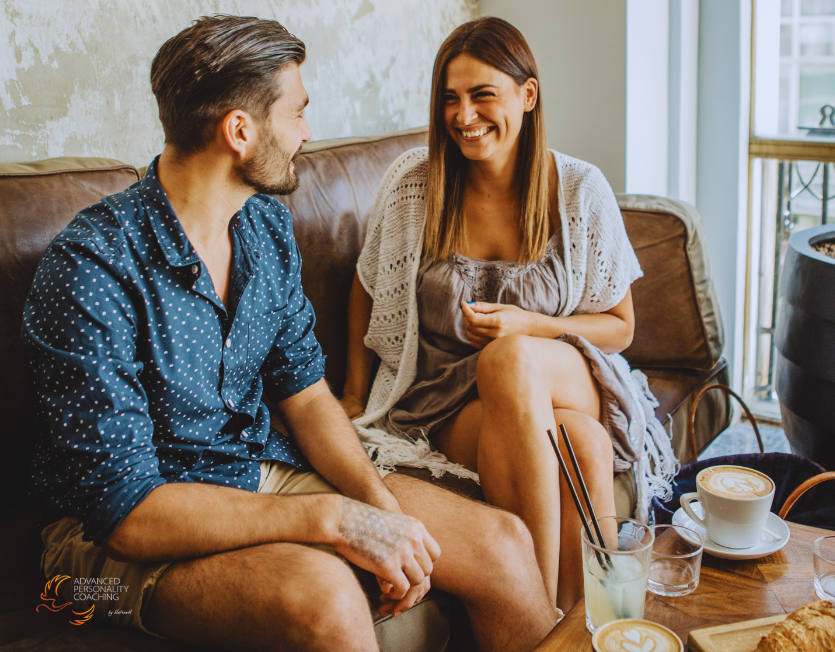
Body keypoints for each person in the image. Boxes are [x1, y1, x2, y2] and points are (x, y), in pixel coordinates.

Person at [21, 15, 558, 652]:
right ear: (240, 132)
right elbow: (127, 514)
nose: (307, 133)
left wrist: (377, 504)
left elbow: (304, 395)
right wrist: (333, 519)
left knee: (500, 544)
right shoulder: (91, 268)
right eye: (297, 113)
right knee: (325, 596)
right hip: (89, 553)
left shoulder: (265, 229)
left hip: (252, 470)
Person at [341, 16, 676, 613]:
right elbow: (369, 287)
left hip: (568, 373)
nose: (463, 116)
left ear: (528, 94)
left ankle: (535, 614)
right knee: (584, 445)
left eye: (481, 95)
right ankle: (585, 622)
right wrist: (352, 392)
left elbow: (619, 328)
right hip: (449, 398)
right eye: (450, 98)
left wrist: (533, 326)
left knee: (513, 358)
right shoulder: (415, 186)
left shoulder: (578, 189)